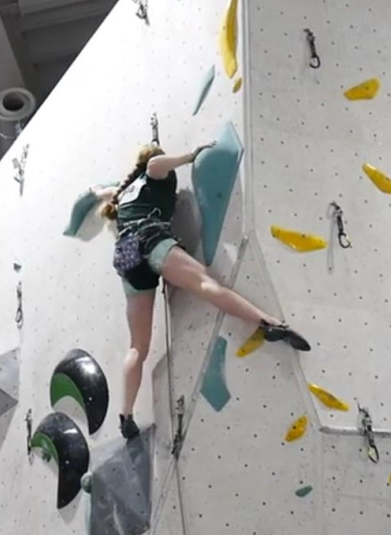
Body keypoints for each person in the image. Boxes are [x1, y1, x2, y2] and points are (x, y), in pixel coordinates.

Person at [92, 142, 311, 440]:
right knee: (208, 286)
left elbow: (107, 193)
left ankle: (126, 416)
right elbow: (157, 165)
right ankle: (268, 322)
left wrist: (99, 192)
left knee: (137, 347)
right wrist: (191, 156)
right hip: (150, 238)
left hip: (127, 255)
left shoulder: (124, 192)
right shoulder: (154, 174)